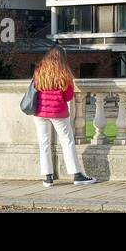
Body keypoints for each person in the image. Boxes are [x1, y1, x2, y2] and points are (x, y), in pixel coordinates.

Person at [31, 47, 95, 187]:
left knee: (44, 143)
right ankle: (76, 175)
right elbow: (68, 96)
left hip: (40, 112)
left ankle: (48, 177)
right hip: (58, 112)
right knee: (67, 141)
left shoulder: (39, 72)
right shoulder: (64, 73)